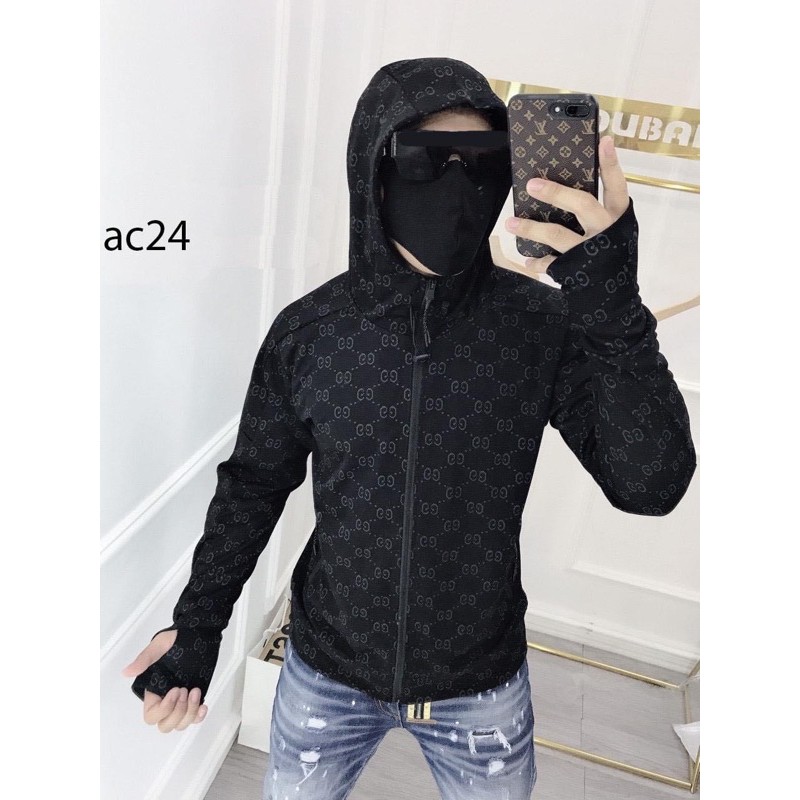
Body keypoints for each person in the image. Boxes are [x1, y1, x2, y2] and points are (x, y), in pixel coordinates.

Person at [122, 57, 697, 799]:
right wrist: (197, 628)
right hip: (326, 673)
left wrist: (610, 302)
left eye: (483, 160)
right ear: (375, 166)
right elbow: (253, 488)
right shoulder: (310, 334)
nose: (458, 186)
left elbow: (651, 486)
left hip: (480, 686)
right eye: (427, 159)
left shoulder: (541, 325)